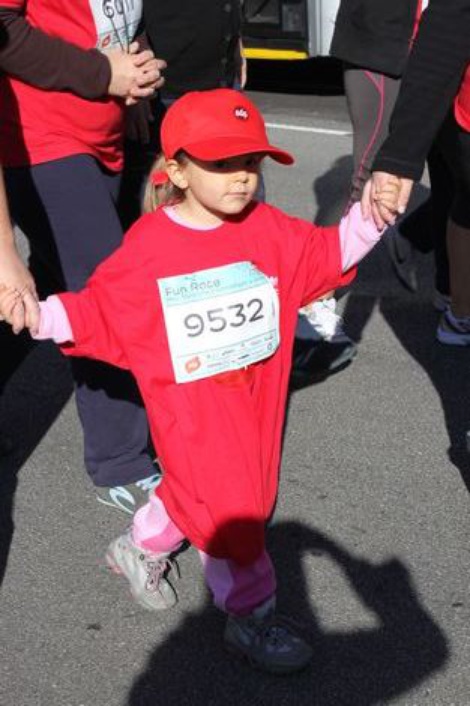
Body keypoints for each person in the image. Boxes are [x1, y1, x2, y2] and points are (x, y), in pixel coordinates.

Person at [0, 89, 398, 673]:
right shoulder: (151, 247)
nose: (242, 176)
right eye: (222, 162)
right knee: (240, 513)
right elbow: (101, 311)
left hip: (255, 405)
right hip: (188, 412)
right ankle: (252, 616)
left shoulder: (268, 227)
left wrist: (372, 214)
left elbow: (326, 252)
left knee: (195, 490)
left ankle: (140, 545)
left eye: (251, 161)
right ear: (178, 170)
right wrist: (37, 314)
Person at [0, 0, 166, 513]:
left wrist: (135, 73)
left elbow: (117, 19)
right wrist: (104, 74)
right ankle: (122, 462)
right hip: (38, 138)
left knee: (48, 285)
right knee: (105, 288)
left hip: (103, 130)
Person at [363, 0, 470, 346]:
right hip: (452, 100)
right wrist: (398, 158)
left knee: (454, 195)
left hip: (447, 97)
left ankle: (449, 292)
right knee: (461, 198)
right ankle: (459, 311)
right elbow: (445, 32)